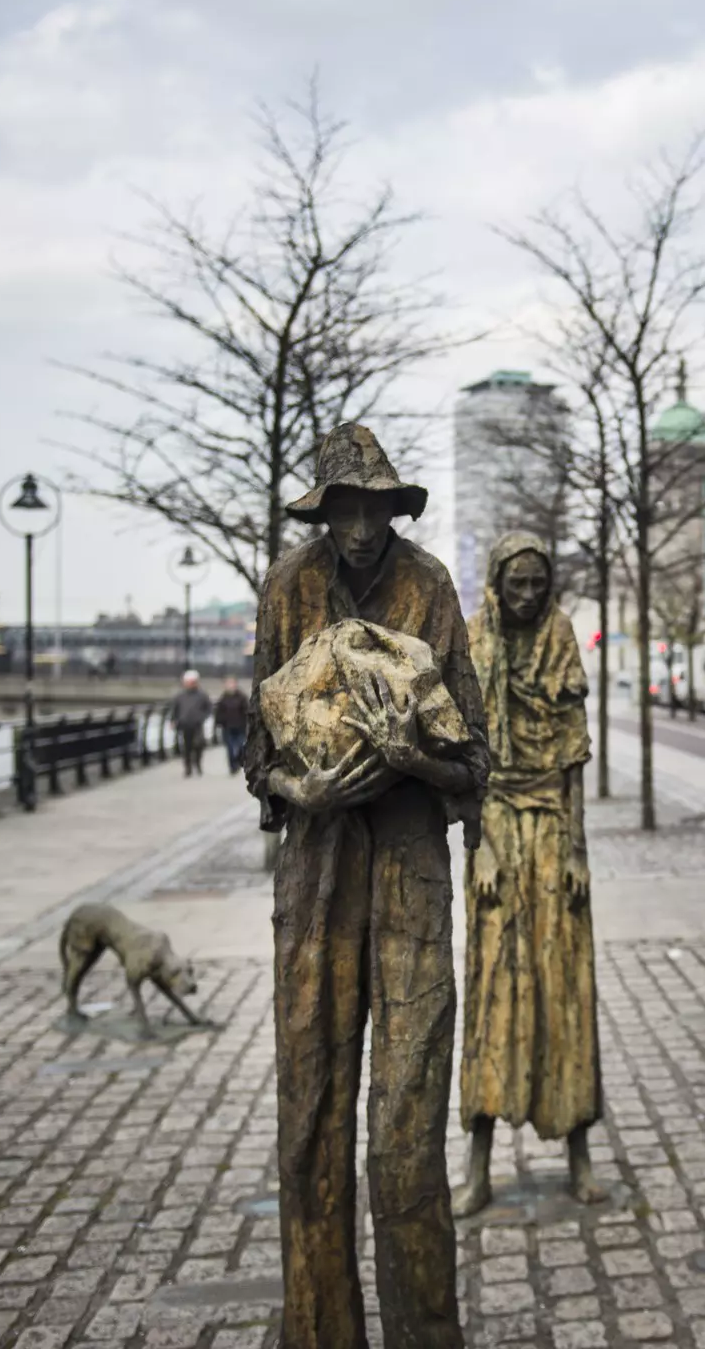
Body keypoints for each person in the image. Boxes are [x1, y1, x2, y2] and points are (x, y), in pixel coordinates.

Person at [241, 422, 488, 1349]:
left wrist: (412, 756)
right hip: (316, 873)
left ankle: (426, 1334)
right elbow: (258, 748)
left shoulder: (428, 585)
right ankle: (319, 1329)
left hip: (411, 870)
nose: (357, 528)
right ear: (323, 510)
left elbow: (477, 761)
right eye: (342, 510)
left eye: (371, 509)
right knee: (309, 1114)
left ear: (391, 507)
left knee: (406, 1134)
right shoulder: (288, 585)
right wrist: (298, 786)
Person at [452, 532, 606, 1217]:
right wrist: (477, 848)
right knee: (493, 988)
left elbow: (573, 755)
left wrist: (576, 851)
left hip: (551, 828)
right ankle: (479, 1161)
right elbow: (464, 758)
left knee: (565, 984)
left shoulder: (562, 636)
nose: (527, 594)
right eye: (515, 583)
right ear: (496, 580)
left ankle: (578, 1150)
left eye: (537, 583)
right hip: (495, 832)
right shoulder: (472, 638)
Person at [171, 670, 212, 777]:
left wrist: (202, 717)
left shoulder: (202, 695)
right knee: (186, 747)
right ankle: (188, 768)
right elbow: (175, 710)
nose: (189, 684)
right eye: (187, 682)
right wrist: (173, 720)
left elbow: (209, 709)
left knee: (199, 745)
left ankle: (197, 764)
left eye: (192, 682)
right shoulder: (180, 696)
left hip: (197, 724)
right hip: (184, 725)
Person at [213, 675, 251, 775]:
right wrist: (218, 723)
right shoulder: (223, 698)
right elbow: (218, 712)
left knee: (240, 746)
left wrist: (248, 723)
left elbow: (247, 710)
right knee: (229, 748)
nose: (229, 685)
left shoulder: (242, 697)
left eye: (231, 683)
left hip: (240, 726)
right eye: (227, 683)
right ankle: (232, 767)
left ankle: (239, 761)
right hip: (227, 727)